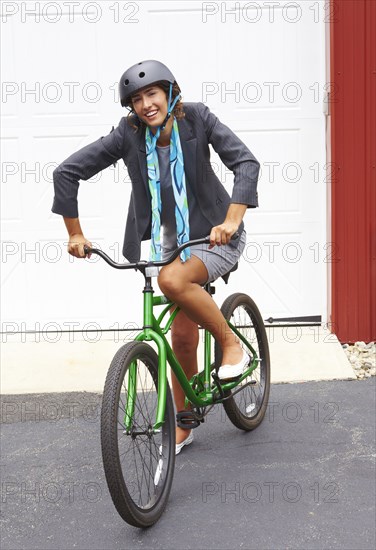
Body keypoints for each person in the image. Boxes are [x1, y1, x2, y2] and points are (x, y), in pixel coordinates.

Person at [51, 59, 260, 454]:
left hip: (216, 235)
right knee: (181, 335)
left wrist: (232, 220)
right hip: (168, 242)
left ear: (169, 93)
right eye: (136, 99)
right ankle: (184, 423)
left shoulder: (197, 118)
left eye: (152, 93)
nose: (146, 104)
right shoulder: (127, 134)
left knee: (171, 281)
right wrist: (74, 233)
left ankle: (230, 343)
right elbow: (67, 172)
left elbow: (246, 163)